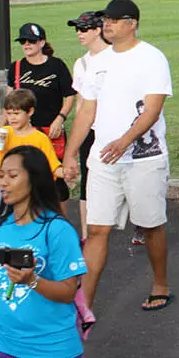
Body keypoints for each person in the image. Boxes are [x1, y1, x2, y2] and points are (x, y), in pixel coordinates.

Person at [63, 0, 173, 312]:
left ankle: (160, 284)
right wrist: (71, 154)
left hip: (144, 158)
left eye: (113, 19)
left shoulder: (152, 58)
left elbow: (152, 110)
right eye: (104, 20)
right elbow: (85, 112)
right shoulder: (97, 62)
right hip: (102, 159)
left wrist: (125, 141)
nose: (106, 24)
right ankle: (83, 305)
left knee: (150, 225)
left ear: (132, 23)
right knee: (97, 228)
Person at [0, 145, 98, 358]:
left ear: (34, 178)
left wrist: (32, 280)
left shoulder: (57, 230)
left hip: (51, 346)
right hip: (3, 343)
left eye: (12, 175)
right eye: (1, 175)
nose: (3, 182)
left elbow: (68, 292)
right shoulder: (0, 225)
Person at [67, 12, 109, 242]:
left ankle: (140, 224)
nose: (79, 33)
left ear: (97, 30)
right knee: (87, 178)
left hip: (113, 128)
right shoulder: (81, 63)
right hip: (90, 129)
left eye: (83, 29)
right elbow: (81, 102)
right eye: (77, 29)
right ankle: (86, 233)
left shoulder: (115, 58)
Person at [9, 23, 75, 161]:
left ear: (42, 42)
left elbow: (69, 95)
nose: (26, 45)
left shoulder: (56, 65)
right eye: (23, 41)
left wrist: (60, 119)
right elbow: (9, 103)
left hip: (50, 130)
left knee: (51, 172)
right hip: (22, 130)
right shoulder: (16, 67)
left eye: (31, 41)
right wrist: (2, 131)